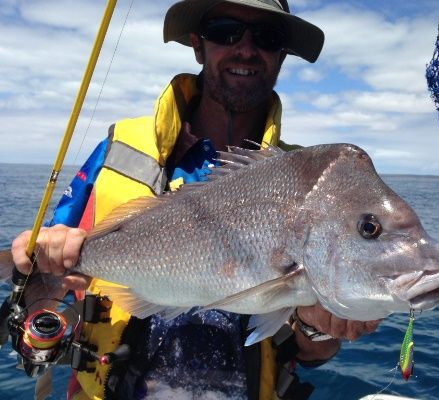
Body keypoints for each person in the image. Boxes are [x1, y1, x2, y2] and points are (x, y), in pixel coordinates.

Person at [11, 1, 380, 399]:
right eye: (225, 30)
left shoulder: (314, 186)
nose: (246, 48)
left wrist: (317, 324)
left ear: (282, 55)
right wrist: (34, 272)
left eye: (268, 37)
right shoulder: (120, 150)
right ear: (197, 44)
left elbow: (311, 353)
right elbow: (45, 291)